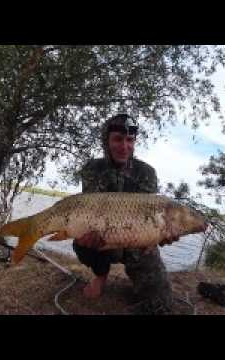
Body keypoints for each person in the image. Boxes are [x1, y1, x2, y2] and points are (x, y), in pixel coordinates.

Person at [73, 113, 175, 315]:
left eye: (130, 140)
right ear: (107, 141)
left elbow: (151, 220)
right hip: (103, 238)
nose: (124, 146)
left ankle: (141, 280)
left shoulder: (147, 173)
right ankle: (101, 275)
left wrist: (161, 235)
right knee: (82, 242)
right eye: (118, 139)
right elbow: (89, 212)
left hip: (138, 244)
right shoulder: (93, 168)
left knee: (163, 304)